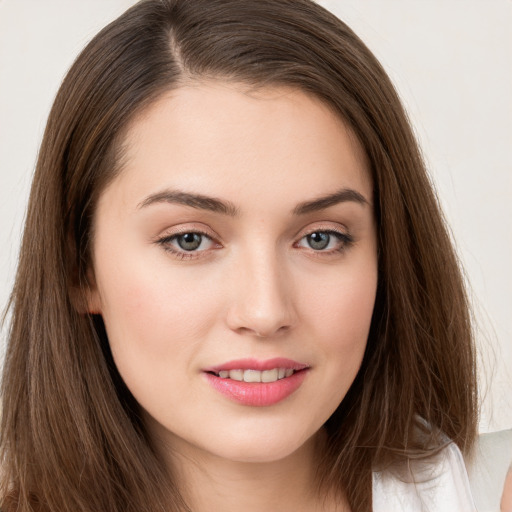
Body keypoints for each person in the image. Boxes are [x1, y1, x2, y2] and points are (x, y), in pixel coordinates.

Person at [0, 1, 479, 511]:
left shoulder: (449, 488)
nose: (265, 311)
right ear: (81, 266)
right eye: (189, 239)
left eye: (321, 238)